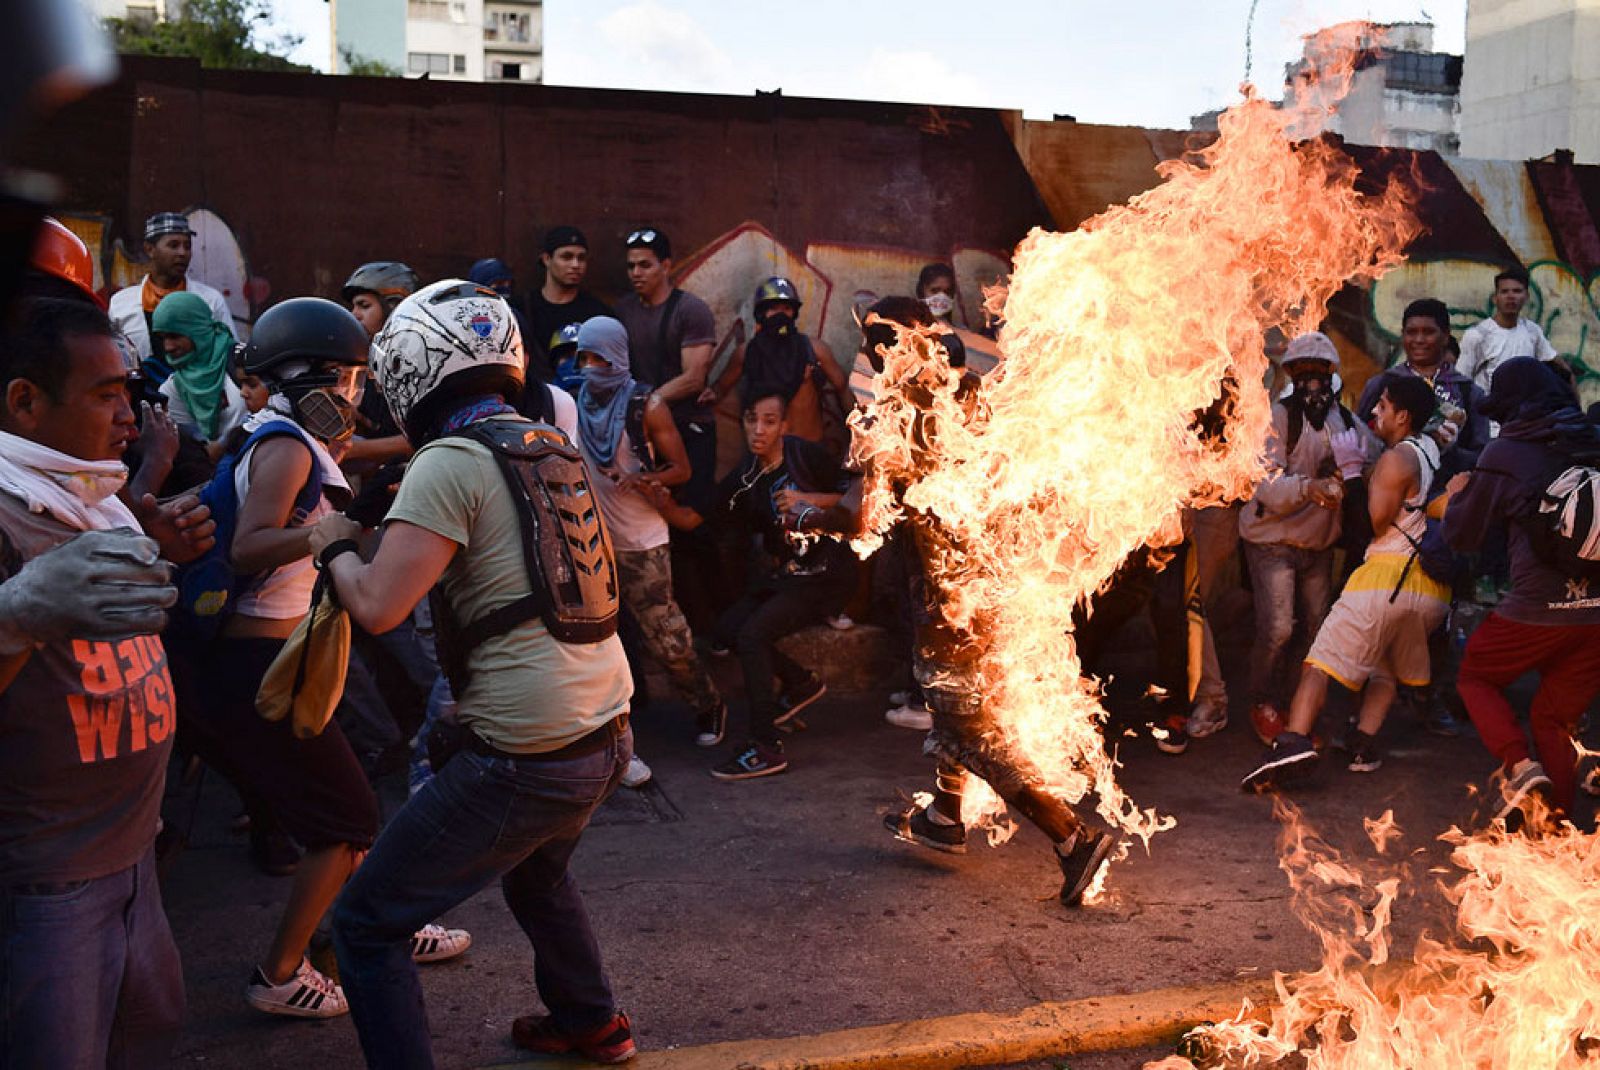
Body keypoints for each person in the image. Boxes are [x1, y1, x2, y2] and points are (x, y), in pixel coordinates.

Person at [313, 279, 636, 1068]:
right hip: (607, 727)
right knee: (537, 876)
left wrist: (333, 546)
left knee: (365, 923)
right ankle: (591, 1020)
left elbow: (379, 605)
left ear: (412, 371)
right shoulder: (545, 442)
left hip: (530, 751)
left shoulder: (449, 460)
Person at [179, 296, 467, 1019]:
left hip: (280, 655)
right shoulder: (284, 446)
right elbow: (249, 545)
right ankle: (279, 973)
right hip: (251, 664)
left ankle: (378, 921)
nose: (353, 393)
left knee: (348, 795)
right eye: (344, 377)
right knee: (346, 819)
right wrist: (330, 537)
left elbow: (335, 481)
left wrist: (372, 497)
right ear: (303, 378)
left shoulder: (291, 437)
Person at [821, 310, 1113, 906]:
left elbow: (860, 518)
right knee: (956, 715)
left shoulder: (894, 420)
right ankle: (945, 818)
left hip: (949, 603)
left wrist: (803, 513)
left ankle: (1072, 837)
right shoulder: (976, 400)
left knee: (974, 733)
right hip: (997, 588)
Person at [0, 297, 215, 1068]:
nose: (128, 414)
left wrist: (152, 543)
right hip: (48, 883)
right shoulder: (9, 512)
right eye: (104, 394)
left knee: (145, 1033)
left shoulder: (89, 499)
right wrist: (17, 613)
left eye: (127, 391)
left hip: (133, 858)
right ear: (26, 402)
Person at [1242, 374, 1449, 790]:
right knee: (1385, 668)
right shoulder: (1429, 449)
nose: (1375, 412)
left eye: (1384, 406)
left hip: (1385, 580)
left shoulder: (1397, 458)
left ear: (1403, 416)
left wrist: (1353, 475)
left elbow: (1370, 526)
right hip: (1427, 590)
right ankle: (1362, 744)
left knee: (1318, 663)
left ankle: (1292, 742)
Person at [648, 392, 854, 779]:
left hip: (824, 575)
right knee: (727, 630)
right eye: (751, 419)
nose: (758, 430)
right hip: (785, 576)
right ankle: (800, 683)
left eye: (769, 421)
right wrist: (660, 502)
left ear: (784, 425)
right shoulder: (746, 477)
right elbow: (695, 520)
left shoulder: (805, 455)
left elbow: (858, 501)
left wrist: (808, 499)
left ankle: (765, 746)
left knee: (753, 636)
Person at [1442, 357, 1600, 827]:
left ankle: (1521, 766)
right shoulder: (1591, 439)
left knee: (1475, 676)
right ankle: (1556, 828)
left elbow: (1462, 534)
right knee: (1554, 720)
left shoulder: (1506, 452)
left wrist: (1458, 493)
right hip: (1595, 614)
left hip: (1533, 610)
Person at [573, 316, 726, 757]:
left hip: (642, 541)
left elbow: (682, 470)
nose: (590, 367)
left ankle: (709, 704)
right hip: (595, 539)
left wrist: (642, 480)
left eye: (600, 358)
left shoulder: (647, 405)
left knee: (667, 638)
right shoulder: (579, 401)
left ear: (618, 356)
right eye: (585, 357)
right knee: (597, 639)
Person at [1239, 332, 1379, 745]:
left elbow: (1373, 460)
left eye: (1320, 370)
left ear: (1332, 374)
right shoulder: (1278, 419)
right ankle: (1263, 701)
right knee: (1279, 628)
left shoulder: (1346, 422)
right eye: (1303, 371)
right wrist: (1310, 488)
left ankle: (1295, 709)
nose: (1312, 380)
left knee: (1316, 631)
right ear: (1291, 375)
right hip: (1272, 541)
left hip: (1318, 545)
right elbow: (1263, 484)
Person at [614, 227, 723, 635]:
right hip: (645, 435)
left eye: (645, 265)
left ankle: (714, 629)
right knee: (652, 526)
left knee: (693, 526)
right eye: (630, 266)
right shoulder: (623, 311)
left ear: (666, 265)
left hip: (690, 430)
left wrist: (648, 403)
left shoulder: (690, 310)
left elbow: (694, 378)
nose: (636, 273)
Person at [704, 276, 853, 449]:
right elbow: (721, 387)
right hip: (765, 452)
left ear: (794, 312)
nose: (780, 315)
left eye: (786, 309)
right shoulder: (746, 353)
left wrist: (860, 426)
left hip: (808, 451)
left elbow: (842, 387)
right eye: (773, 308)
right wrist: (709, 395)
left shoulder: (814, 349)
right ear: (761, 313)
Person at [108, 212, 236, 371]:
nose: (182, 253)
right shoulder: (121, 304)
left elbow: (230, 354)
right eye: (173, 245)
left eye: (187, 246)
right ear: (150, 249)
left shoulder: (210, 300)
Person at [341, 260, 420, 469]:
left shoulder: (418, 362)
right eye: (353, 306)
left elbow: (420, 438)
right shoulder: (370, 359)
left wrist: (348, 450)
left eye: (364, 305)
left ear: (394, 307)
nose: (354, 315)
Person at [150, 289, 249, 453]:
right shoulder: (173, 389)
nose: (168, 347)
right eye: (162, 338)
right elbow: (195, 452)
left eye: (175, 336)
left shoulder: (244, 362)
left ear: (196, 330)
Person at [1455, 267, 1560, 396]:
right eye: (1504, 292)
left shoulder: (1532, 331)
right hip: (1488, 407)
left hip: (1524, 406)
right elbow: (1462, 379)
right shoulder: (1477, 335)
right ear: (1495, 298)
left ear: (1526, 297)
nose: (1511, 297)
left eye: (1517, 291)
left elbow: (1555, 362)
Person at [525, 225, 612, 380]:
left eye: (581, 258)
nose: (575, 265)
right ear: (547, 259)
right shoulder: (524, 308)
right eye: (566, 257)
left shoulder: (598, 313)